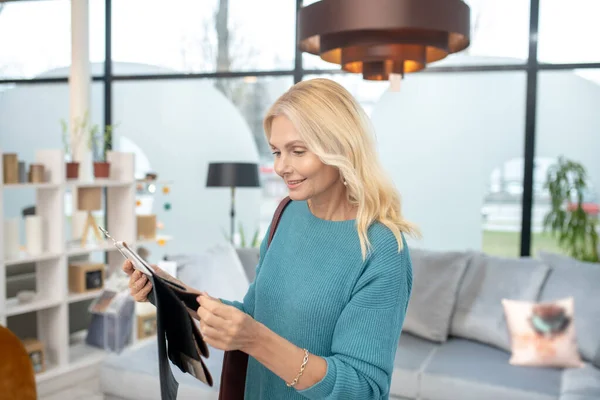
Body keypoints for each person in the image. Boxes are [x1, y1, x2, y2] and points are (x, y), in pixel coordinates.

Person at [123, 78, 419, 399]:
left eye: (297, 151)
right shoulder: (287, 213)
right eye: (277, 151)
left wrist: (255, 340)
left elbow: (363, 389)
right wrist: (172, 292)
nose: (280, 167)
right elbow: (255, 315)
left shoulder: (383, 248)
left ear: (341, 147)